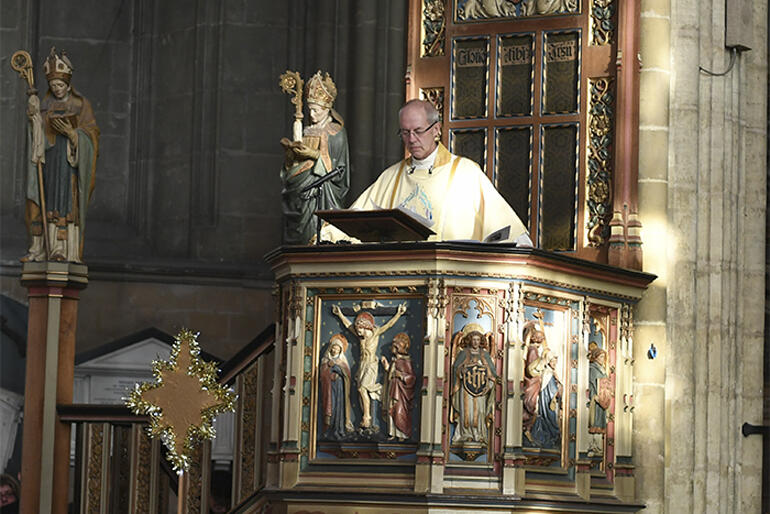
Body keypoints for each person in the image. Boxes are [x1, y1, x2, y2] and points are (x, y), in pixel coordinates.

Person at [322, 99, 530, 245]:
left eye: (418, 131)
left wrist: (521, 248)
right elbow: (356, 220)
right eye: (405, 133)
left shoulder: (466, 174)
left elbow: (508, 230)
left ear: (436, 129)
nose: (411, 139)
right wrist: (325, 237)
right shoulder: (391, 177)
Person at [23, 47, 99, 263]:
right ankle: (43, 248)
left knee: (66, 205)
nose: (56, 89)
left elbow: (92, 136)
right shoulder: (45, 105)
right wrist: (35, 119)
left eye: (60, 85)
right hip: (49, 163)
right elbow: (37, 138)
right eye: (53, 85)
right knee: (45, 201)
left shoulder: (81, 105)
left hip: (69, 166)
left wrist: (73, 135)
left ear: (68, 84)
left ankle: (66, 250)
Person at [280, 71, 350, 245]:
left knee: (316, 231)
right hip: (300, 189)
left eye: (315, 110)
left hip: (322, 192)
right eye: (310, 109)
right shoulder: (306, 131)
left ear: (326, 109)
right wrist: (291, 153)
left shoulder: (336, 132)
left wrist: (312, 154)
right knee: (300, 235)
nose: (311, 114)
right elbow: (292, 165)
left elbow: (338, 170)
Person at [332, 304, 406, 430]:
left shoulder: (375, 332)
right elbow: (348, 326)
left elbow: (388, 325)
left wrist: (398, 314)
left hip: (371, 364)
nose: (357, 331)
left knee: (362, 388)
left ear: (365, 326)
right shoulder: (360, 337)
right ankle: (366, 417)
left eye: (359, 329)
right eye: (357, 329)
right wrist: (339, 314)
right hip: (362, 364)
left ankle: (367, 417)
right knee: (360, 391)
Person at [450, 324, 497, 445]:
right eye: (473, 339)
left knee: (480, 412)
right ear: (469, 340)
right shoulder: (463, 353)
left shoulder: (485, 354)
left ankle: (479, 434)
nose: (475, 342)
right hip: (465, 389)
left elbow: (492, 372)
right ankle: (465, 435)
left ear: (480, 341)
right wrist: (462, 370)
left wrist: (489, 382)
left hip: (480, 390)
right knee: (467, 413)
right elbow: (456, 368)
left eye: (478, 339)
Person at [380, 332, 416, 440]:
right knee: (392, 410)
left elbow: (412, 377)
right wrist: (386, 366)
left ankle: (402, 433)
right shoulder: (394, 361)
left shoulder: (406, 361)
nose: (392, 349)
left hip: (401, 392)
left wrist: (401, 376)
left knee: (400, 411)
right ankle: (392, 433)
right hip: (393, 389)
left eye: (394, 347)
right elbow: (390, 373)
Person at [319, 333, 355, 439]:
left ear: (340, 351)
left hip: (339, 388)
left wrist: (336, 368)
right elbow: (322, 374)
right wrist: (329, 373)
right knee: (331, 407)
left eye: (337, 349)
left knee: (339, 409)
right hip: (329, 389)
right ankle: (328, 430)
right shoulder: (325, 360)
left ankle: (338, 430)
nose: (335, 350)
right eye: (333, 348)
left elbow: (347, 375)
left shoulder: (342, 361)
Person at [587, 341, 610, 456]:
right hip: (595, 400)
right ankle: (592, 445)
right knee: (594, 420)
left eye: (603, 357)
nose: (602, 359)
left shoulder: (603, 370)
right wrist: (593, 396)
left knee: (600, 421)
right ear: (595, 357)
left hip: (602, 401)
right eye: (601, 357)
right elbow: (590, 384)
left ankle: (598, 446)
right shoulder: (592, 369)